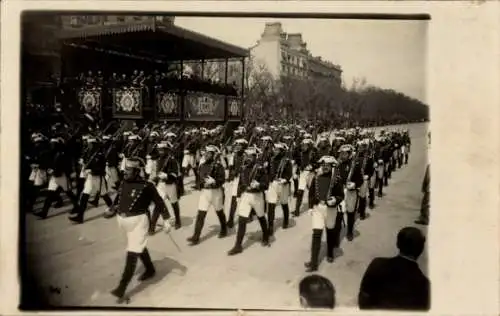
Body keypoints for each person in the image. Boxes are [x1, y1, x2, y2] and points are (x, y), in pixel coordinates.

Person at [109, 157, 171, 302]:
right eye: (125, 169)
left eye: (129, 170)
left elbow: (159, 202)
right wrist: (111, 208)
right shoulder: (124, 182)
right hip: (124, 221)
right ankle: (150, 269)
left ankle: (121, 288)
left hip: (139, 222)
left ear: (137, 171)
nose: (125, 172)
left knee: (132, 252)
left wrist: (167, 220)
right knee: (137, 246)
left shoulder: (147, 185)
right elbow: (118, 198)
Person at [358, 226, 430, 310]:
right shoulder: (424, 285)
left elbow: (363, 299)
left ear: (397, 244)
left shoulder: (377, 264)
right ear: (421, 250)